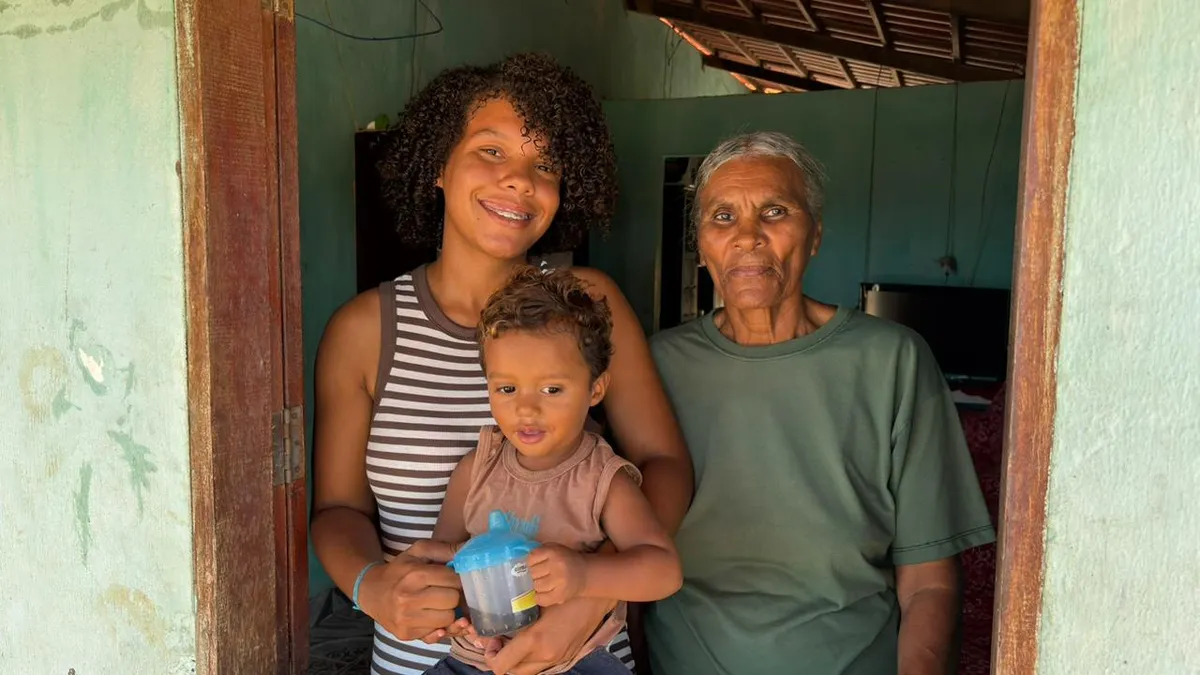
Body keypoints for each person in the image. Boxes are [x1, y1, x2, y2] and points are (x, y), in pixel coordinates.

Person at [310, 53, 692, 675]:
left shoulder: (588, 303)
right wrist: (371, 586)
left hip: (578, 655)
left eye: (544, 164)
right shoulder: (364, 332)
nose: (520, 180)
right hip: (422, 660)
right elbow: (337, 512)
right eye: (491, 151)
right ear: (439, 164)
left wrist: (592, 596)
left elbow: (665, 465)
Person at [644, 131, 996, 675]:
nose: (747, 237)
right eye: (722, 218)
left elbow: (928, 582)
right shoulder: (652, 367)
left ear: (814, 235)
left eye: (774, 211)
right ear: (702, 243)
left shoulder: (892, 361)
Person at [421, 266, 682, 675]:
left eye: (552, 389)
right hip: (472, 663)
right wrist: (445, 609)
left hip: (575, 664)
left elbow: (664, 572)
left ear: (595, 389)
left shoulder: (603, 480)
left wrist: (584, 574)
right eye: (507, 389)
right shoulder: (475, 472)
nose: (526, 409)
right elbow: (446, 567)